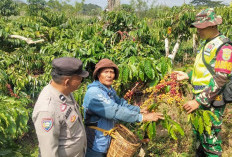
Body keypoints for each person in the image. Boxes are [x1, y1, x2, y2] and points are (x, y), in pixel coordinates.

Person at [175, 8, 232, 157]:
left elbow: (220, 78)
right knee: (200, 138)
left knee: (211, 142)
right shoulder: (206, 43)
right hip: (200, 98)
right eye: (197, 27)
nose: (198, 30)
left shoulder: (224, 47)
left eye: (202, 27)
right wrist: (187, 75)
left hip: (211, 100)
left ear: (213, 26)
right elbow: (205, 70)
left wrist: (199, 101)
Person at [83, 58, 164, 157]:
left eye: (112, 72)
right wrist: (141, 117)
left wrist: (139, 110)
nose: (109, 75)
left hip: (107, 140)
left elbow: (121, 104)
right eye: (105, 72)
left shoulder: (108, 90)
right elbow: (115, 111)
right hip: (95, 142)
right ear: (98, 74)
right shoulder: (94, 92)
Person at [32, 57, 89, 157]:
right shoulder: (47, 110)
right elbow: (48, 153)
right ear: (67, 81)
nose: (81, 81)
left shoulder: (65, 92)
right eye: (79, 78)